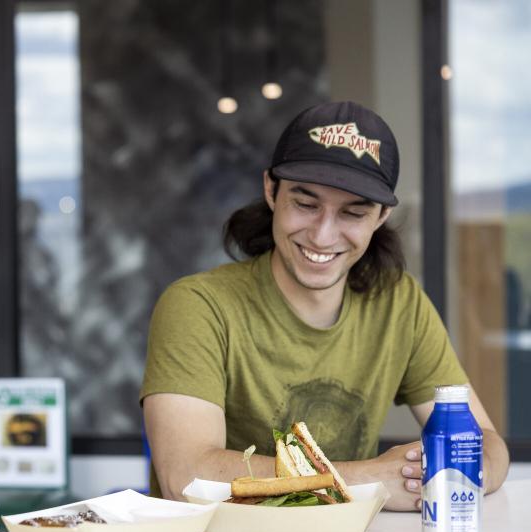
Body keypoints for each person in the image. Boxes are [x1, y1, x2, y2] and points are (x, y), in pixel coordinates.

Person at [141, 101, 510, 511]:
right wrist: (368, 479)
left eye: (353, 212)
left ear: (382, 215)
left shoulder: (400, 304)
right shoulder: (198, 306)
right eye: (305, 204)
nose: (322, 234)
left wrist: (436, 473)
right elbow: (186, 475)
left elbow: (488, 447)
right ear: (271, 190)